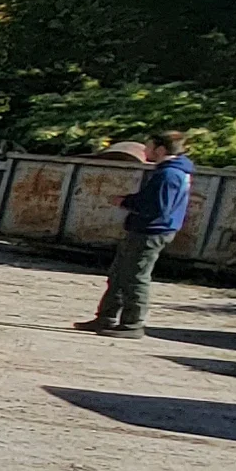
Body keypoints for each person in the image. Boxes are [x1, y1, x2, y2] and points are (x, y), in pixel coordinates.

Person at [77, 132, 194, 335]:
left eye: (148, 147)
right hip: (145, 229)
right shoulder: (170, 171)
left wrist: (126, 202)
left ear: (160, 150)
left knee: (135, 277)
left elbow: (159, 207)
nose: (144, 151)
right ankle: (106, 317)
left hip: (151, 231)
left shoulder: (169, 174)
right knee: (119, 274)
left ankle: (132, 324)